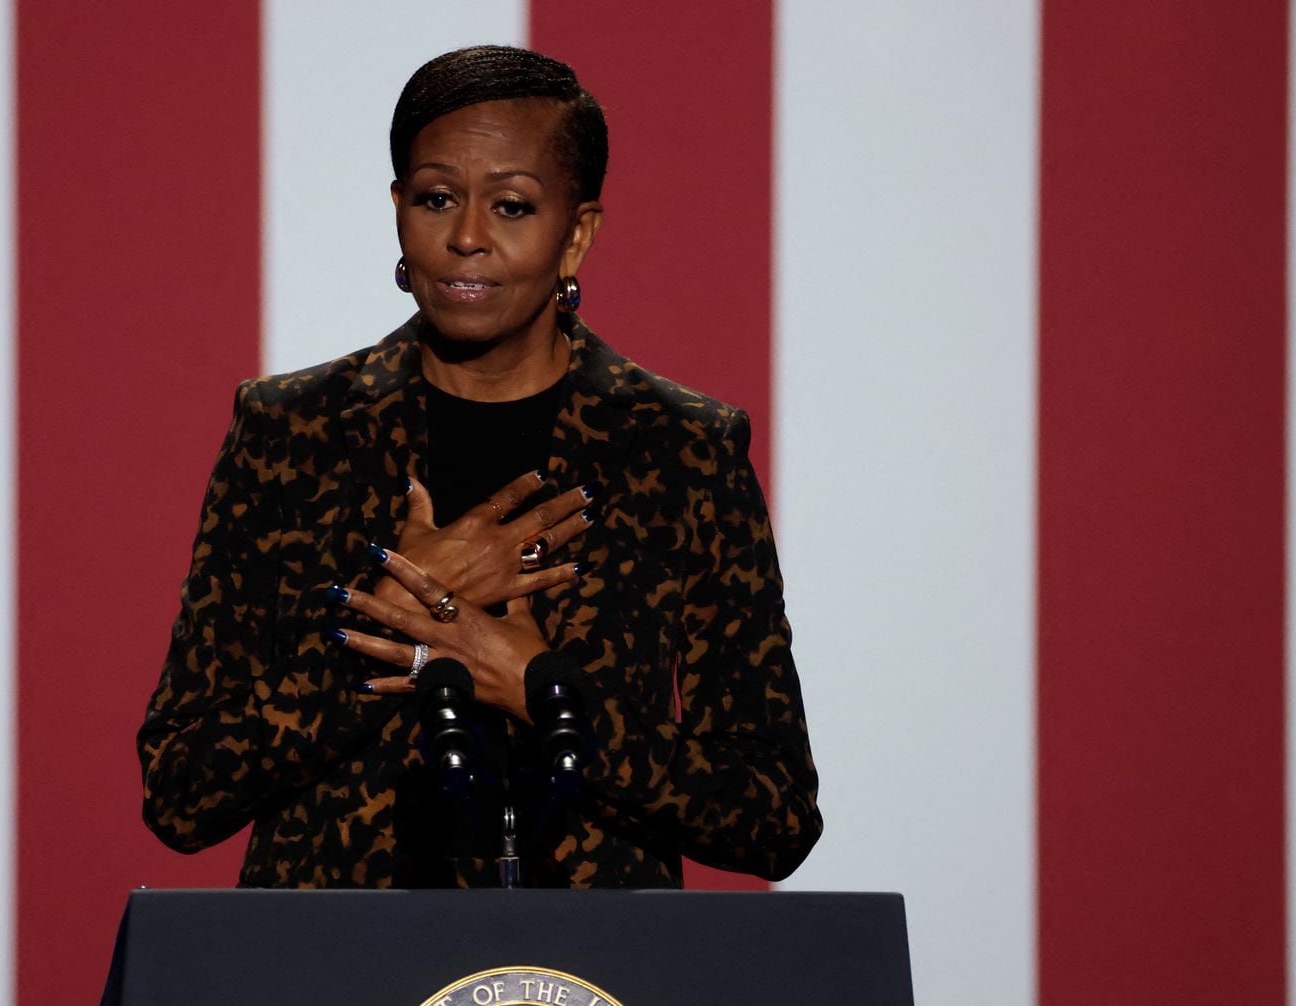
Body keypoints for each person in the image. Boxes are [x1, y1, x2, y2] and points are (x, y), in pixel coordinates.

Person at [138, 45, 821, 888]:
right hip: (329, 985)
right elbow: (181, 787)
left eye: (511, 206)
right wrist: (397, 619)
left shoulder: (680, 450)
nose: (467, 238)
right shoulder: (290, 434)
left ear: (577, 234)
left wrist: (541, 690)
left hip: (584, 997)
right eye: (436, 200)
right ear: (398, 211)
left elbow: (773, 813)